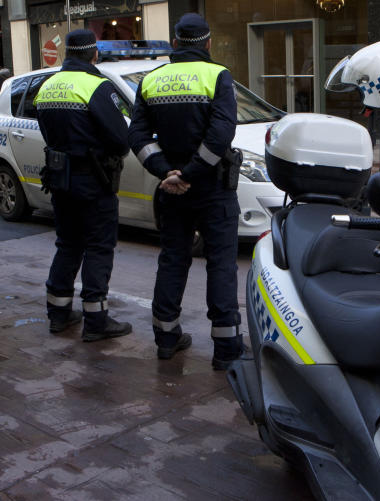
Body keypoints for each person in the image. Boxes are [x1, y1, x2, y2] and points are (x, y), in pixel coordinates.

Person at [128, 13, 242, 369]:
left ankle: (166, 338)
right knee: (221, 264)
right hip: (212, 188)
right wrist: (192, 173)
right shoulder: (217, 76)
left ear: (175, 43)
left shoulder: (151, 80)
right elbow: (221, 136)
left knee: (173, 260)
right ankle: (225, 351)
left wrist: (168, 173)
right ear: (208, 43)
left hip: (170, 190)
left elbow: (138, 137)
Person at [34, 29, 132, 340]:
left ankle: (58, 314)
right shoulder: (97, 87)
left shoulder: (47, 87)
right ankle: (96, 321)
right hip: (94, 180)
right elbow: (120, 139)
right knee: (98, 248)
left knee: (67, 245)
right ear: (94, 54)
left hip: (60, 178)